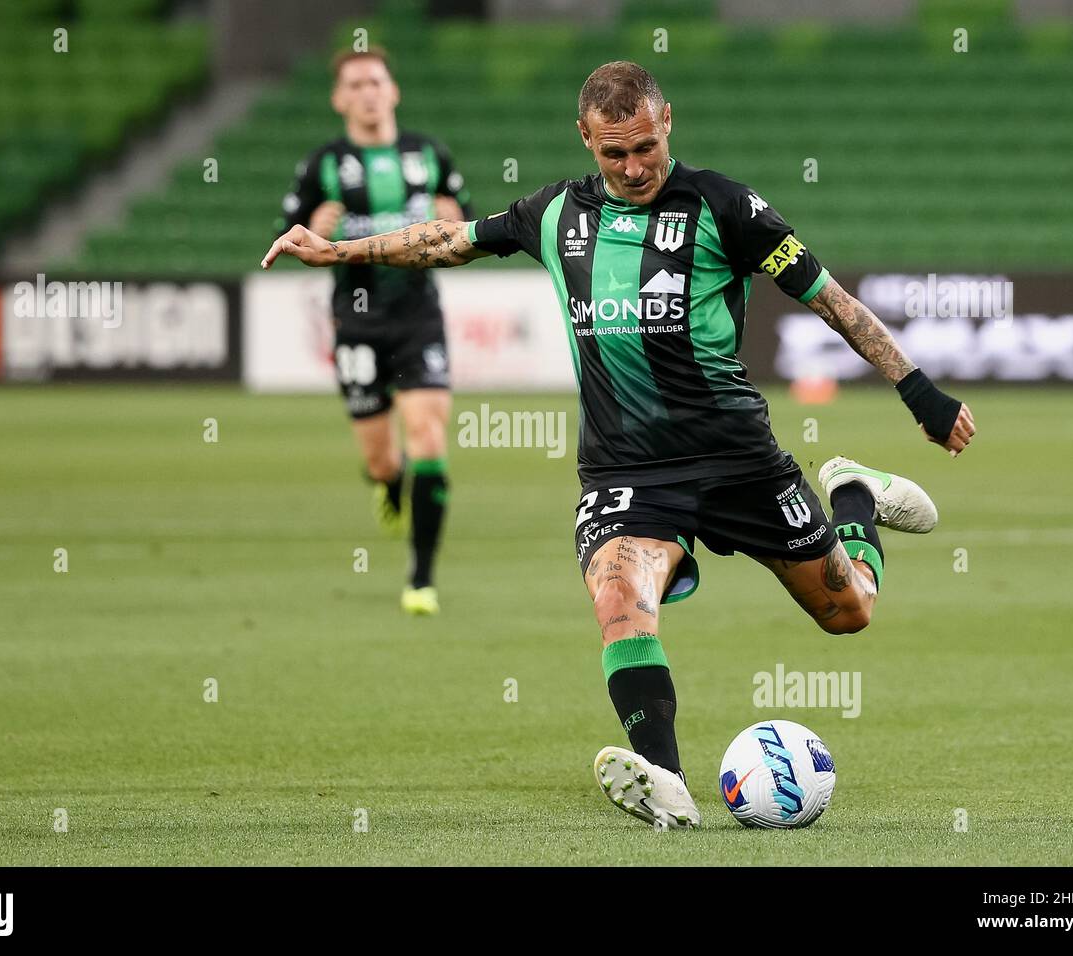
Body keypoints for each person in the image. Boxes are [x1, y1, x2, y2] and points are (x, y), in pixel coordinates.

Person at [262, 61, 976, 828]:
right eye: (614, 153)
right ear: (586, 139)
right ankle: (665, 779)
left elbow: (831, 301)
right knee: (618, 600)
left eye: (645, 147)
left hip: (737, 456)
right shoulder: (553, 214)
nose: (633, 168)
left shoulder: (726, 207)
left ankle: (854, 494)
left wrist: (918, 391)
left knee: (849, 613)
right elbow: (449, 239)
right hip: (627, 468)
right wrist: (339, 253)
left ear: (668, 122)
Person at [277, 47, 473, 615]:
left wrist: (455, 213)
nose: (367, 92)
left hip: (418, 318)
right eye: (355, 84)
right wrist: (313, 230)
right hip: (357, 321)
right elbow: (288, 236)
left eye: (376, 81)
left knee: (430, 439)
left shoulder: (429, 155)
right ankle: (389, 484)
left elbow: (464, 228)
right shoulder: (323, 165)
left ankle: (421, 578)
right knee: (383, 459)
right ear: (340, 98)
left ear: (393, 91)